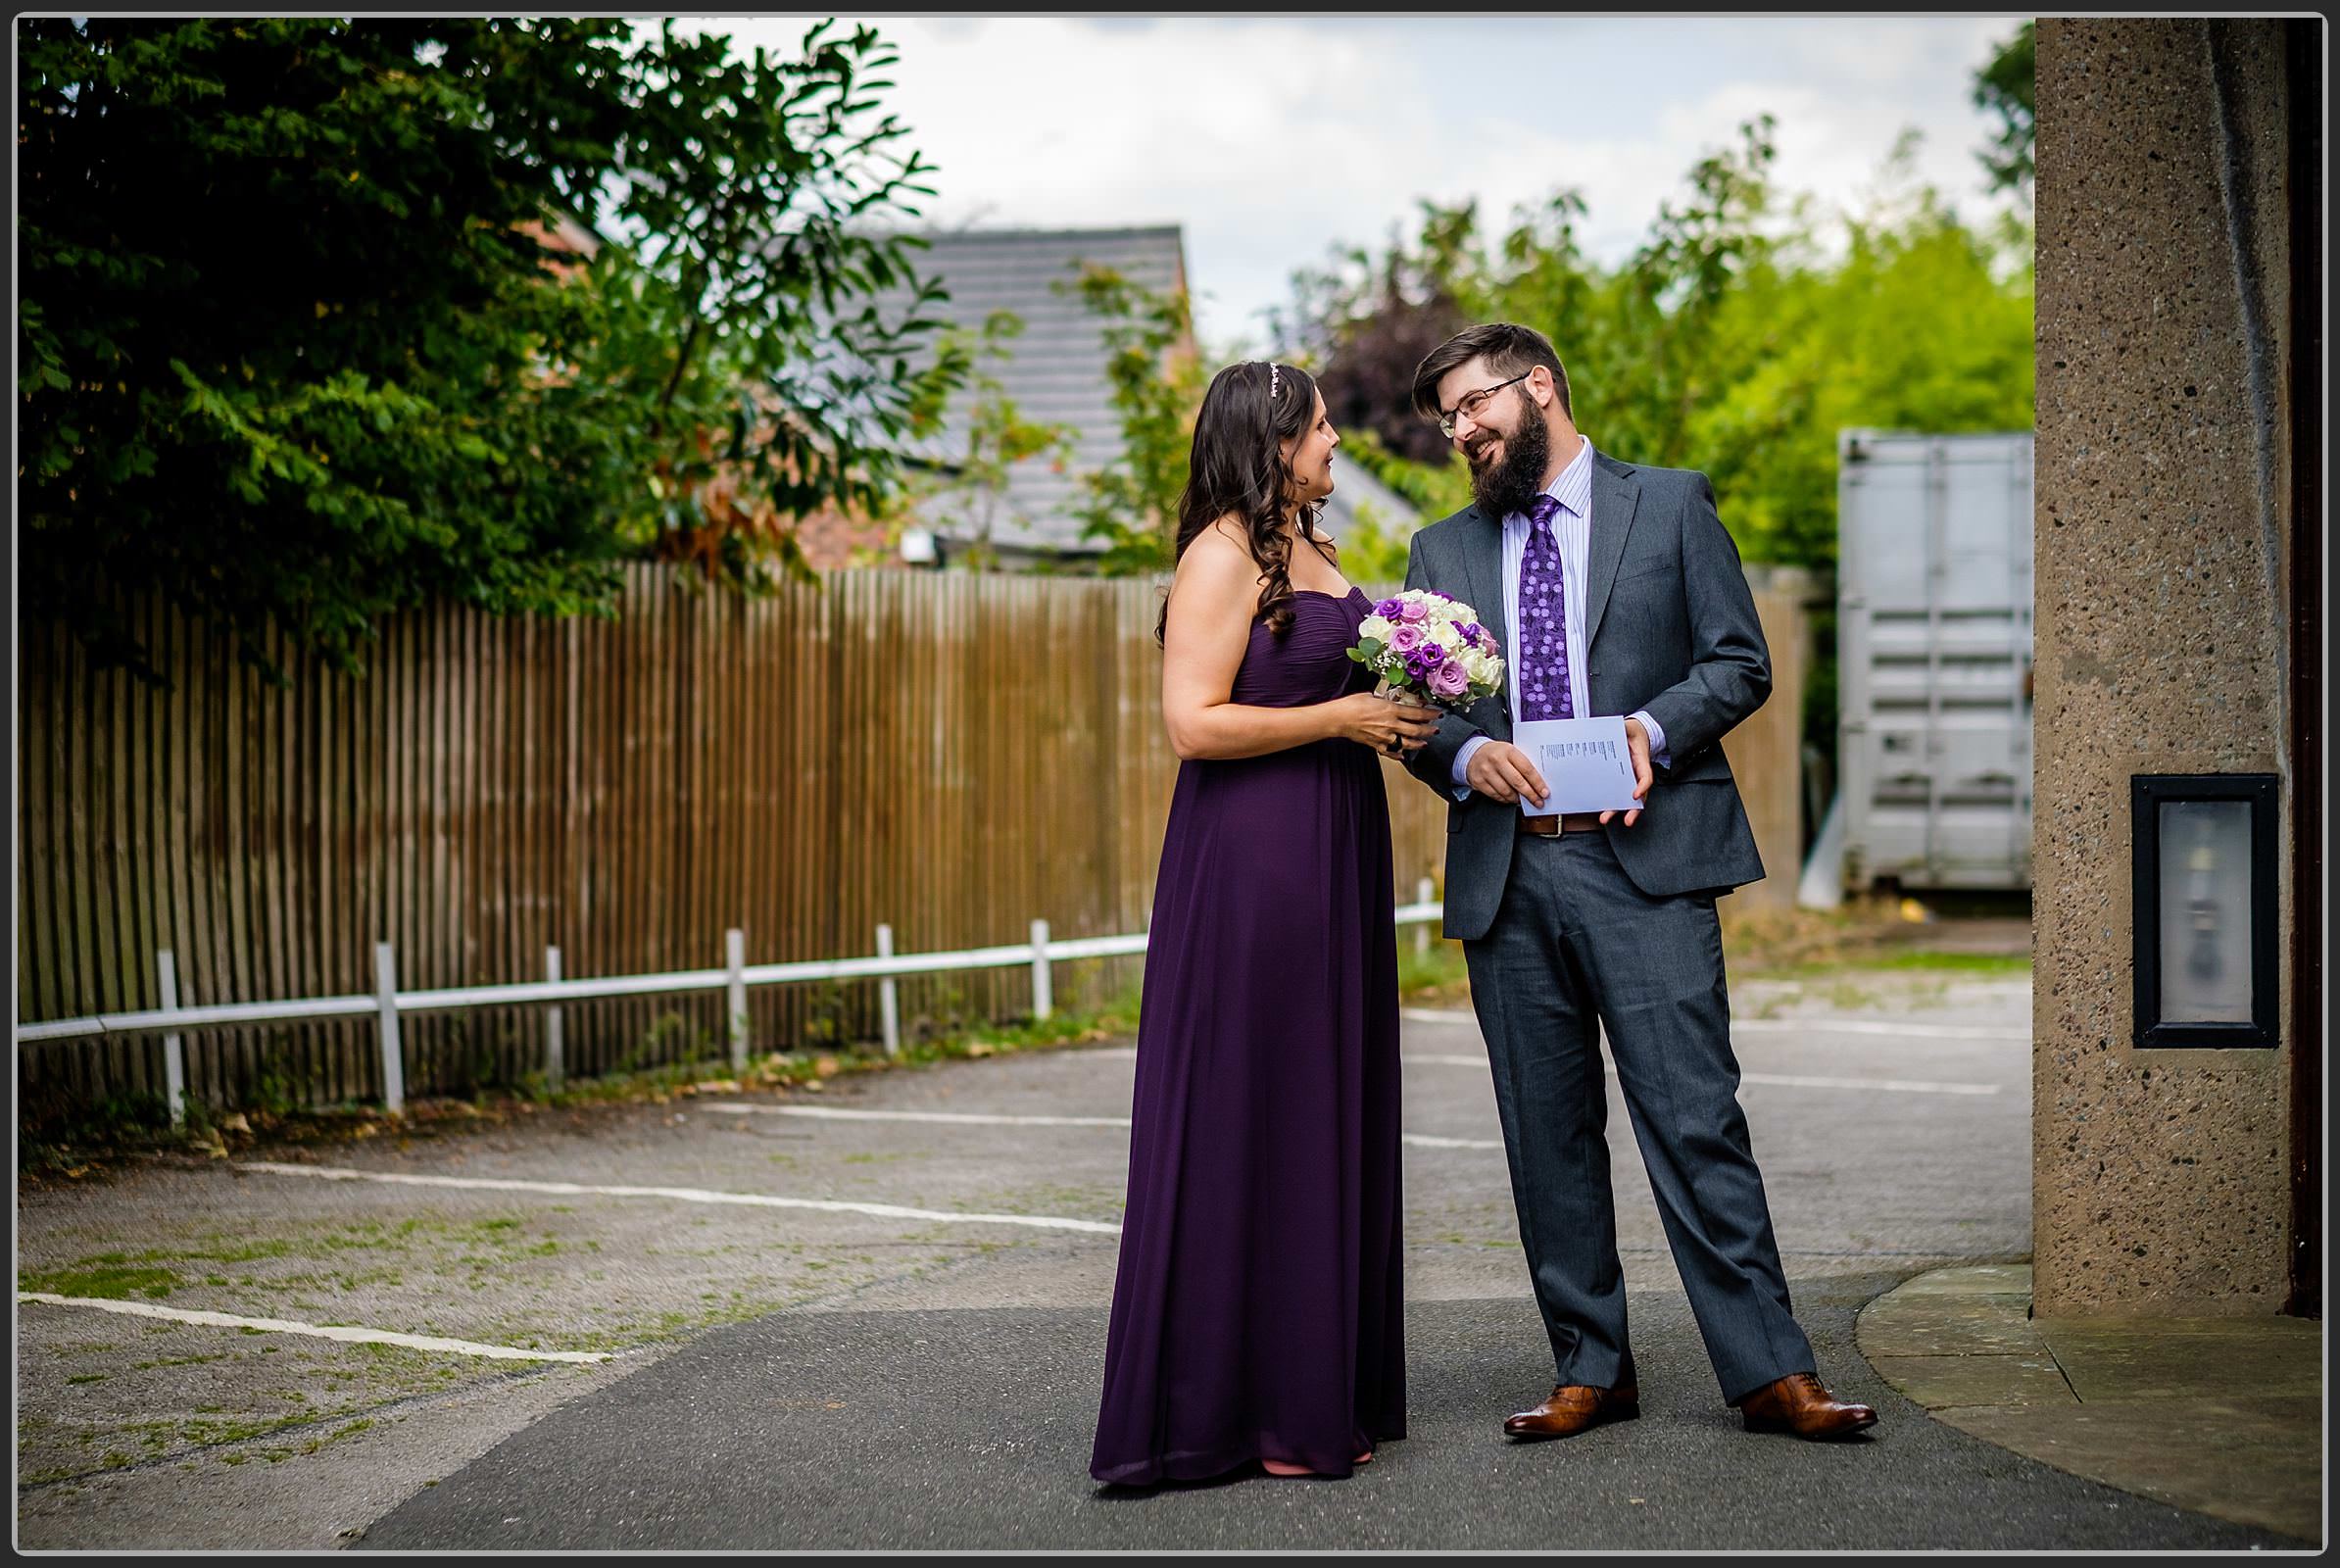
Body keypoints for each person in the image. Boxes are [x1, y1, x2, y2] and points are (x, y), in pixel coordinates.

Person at [1398, 322, 1878, 1443]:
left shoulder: (1668, 505)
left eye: (1474, 406)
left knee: (1694, 1116)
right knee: (1545, 1130)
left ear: (1542, 388)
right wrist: (1467, 755)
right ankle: (1590, 1366)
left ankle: (1770, 1371)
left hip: (1647, 865)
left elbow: (1738, 662)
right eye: (1448, 421)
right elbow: (1425, 721)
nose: (1462, 432)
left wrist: (1650, 733)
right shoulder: (1441, 554)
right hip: (1508, 874)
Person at [1089, 360, 1434, 1486]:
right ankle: (1230, 1413)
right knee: (1255, 1105)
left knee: (1319, 1102)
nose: (1337, 442)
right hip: (1253, 860)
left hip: (1335, 848)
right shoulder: (1219, 556)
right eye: (1322, 427)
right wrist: (1344, 713)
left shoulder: (1317, 551)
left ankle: (1310, 1388)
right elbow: (1192, 723)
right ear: (1271, 440)